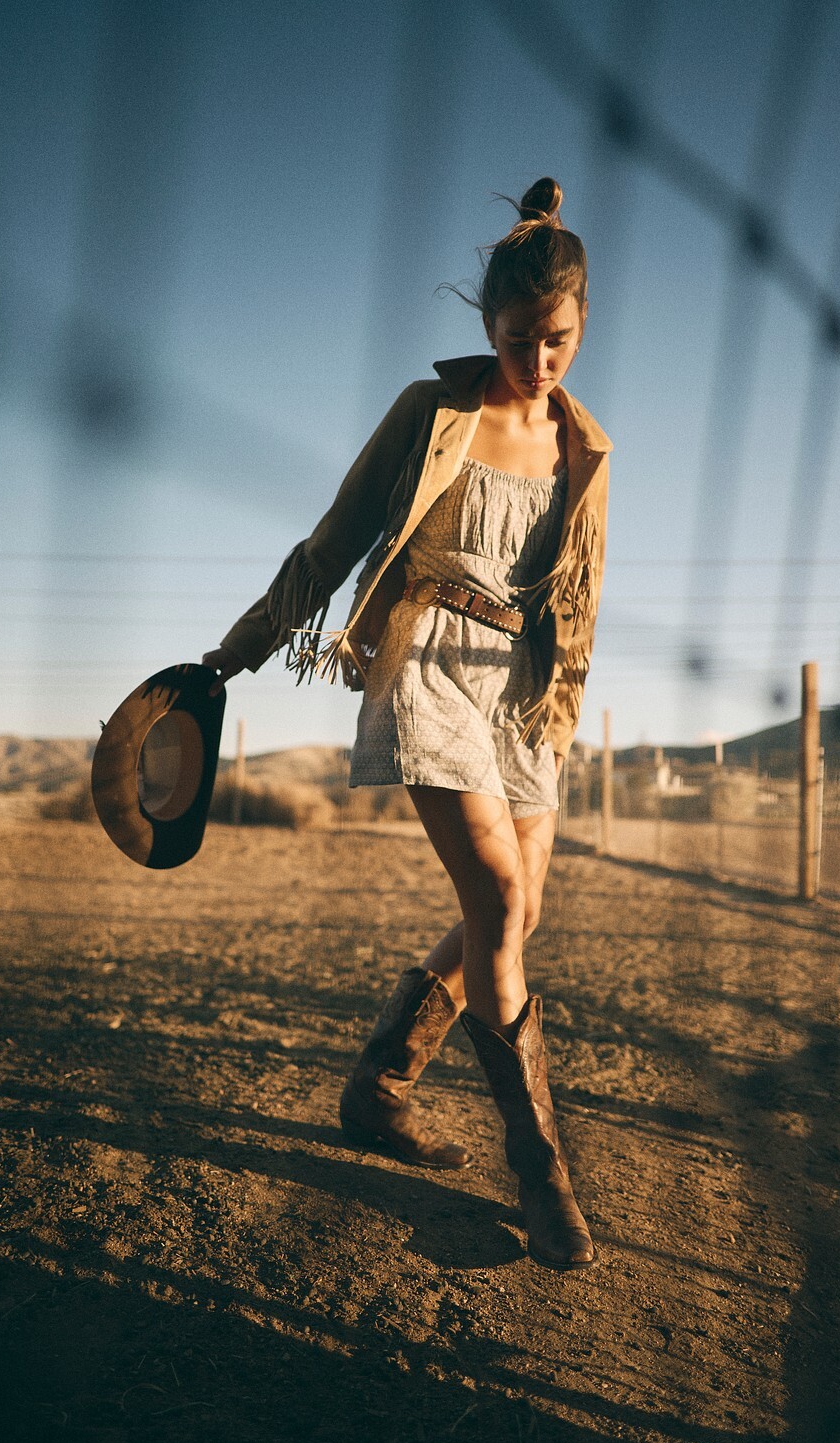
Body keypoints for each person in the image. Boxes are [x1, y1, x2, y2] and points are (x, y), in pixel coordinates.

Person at [202, 176, 612, 1270]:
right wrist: (236, 651)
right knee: (496, 897)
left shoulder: (587, 449)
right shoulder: (431, 412)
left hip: (522, 688)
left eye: (559, 340)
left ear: (580, 324)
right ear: (488, 324)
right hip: (425, 656)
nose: (539, 360)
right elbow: (334, 538)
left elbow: (579, 598)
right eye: (519, 340)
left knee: (517, 912)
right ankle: (542, 1171)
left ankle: (381, 1083)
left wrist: (560, 716)